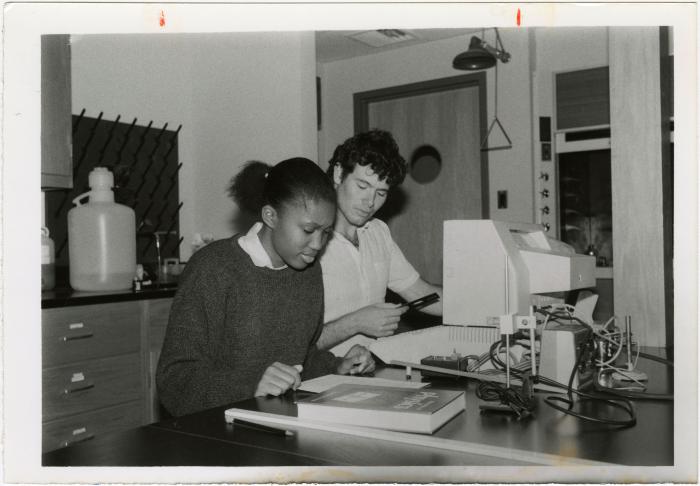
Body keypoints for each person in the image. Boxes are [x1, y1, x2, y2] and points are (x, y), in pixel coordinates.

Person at [157, 157, 375, 417]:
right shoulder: (213, 268)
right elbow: (174, 381)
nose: (318, 244)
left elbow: (301, 358)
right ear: (270, 216)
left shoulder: (308, 271)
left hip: (278, 422)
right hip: (215, 428)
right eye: (308, 230)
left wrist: (337, 367)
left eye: (326, 232)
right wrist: (251, 387)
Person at [317, 130, 443, 353]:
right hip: (321, 372)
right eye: (362, 186)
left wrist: (486, 301)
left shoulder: (378, 232)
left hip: (372, 367)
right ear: (338, 173)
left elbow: (422, 294)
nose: (370, 202)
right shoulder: (309, 239)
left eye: (381, 193)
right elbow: (292, 345)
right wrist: (355, 323)